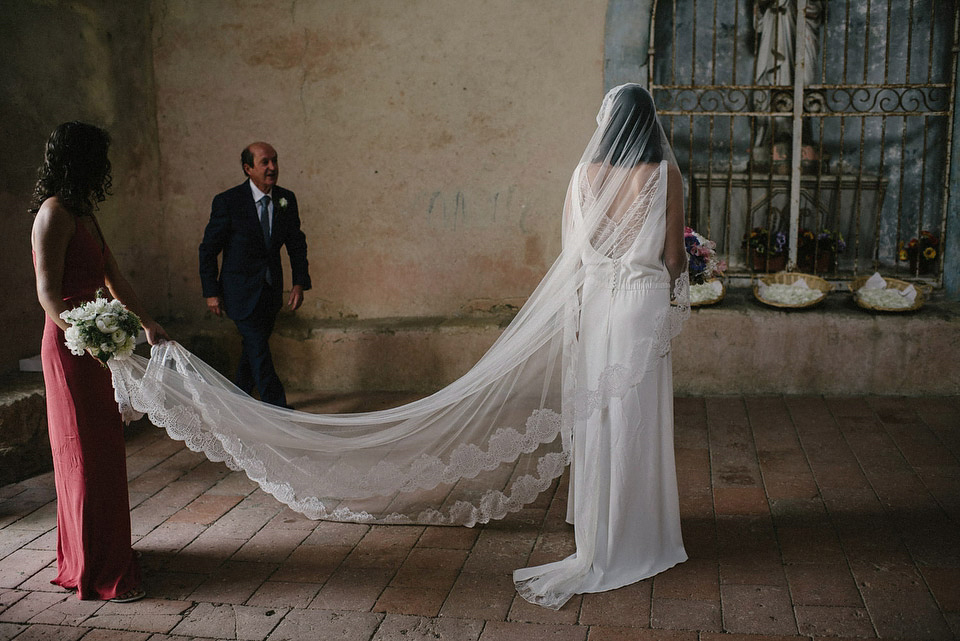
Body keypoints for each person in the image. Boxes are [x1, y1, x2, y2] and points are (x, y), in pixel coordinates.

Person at [109, 84, 689, 610]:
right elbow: (671, 258)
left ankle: (599, 533)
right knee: (635, 413)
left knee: (599, 415)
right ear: (649, 124)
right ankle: (636, 530)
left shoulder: (585, 176)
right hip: (638, 306)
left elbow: (577, 256)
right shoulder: (665, 176)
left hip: (601, 306)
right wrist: (690, 265)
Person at [30, 121, 169, 602]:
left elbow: (114, 278)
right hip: (70, 347)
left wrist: (146, 322)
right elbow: (48, 295)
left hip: (95, 343)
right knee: (82, 455)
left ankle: (111, 551)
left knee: (106, 452)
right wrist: (84, 335)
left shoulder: (85, 213)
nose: (105, 169)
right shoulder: (52, 214)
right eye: (99, 159)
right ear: (80, 160)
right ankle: (91, 566)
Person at [198, 142, 311, 408]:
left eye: (275, 161)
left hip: (271, 292)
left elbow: (296, 243)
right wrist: (211, 292)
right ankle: (278, 410)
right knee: (258, 349)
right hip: (239, 292)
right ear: (248, 168)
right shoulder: (228, 202)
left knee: (253, 350)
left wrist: (298, 283)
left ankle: (237, 403)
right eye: (264, 162)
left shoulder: (286, 199)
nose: (272, 168)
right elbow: (208, 250)